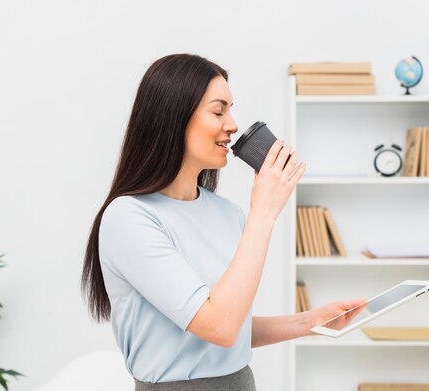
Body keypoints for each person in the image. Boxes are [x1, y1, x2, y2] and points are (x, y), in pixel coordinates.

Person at [81, 53, 366, 390]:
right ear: (173, 116)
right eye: (219, 110)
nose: (232, 124)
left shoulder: (228, 214)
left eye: (231, 109)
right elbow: (219, 326)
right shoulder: (129, 218)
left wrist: (310, 322)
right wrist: (265, 211)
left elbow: (230, 329)